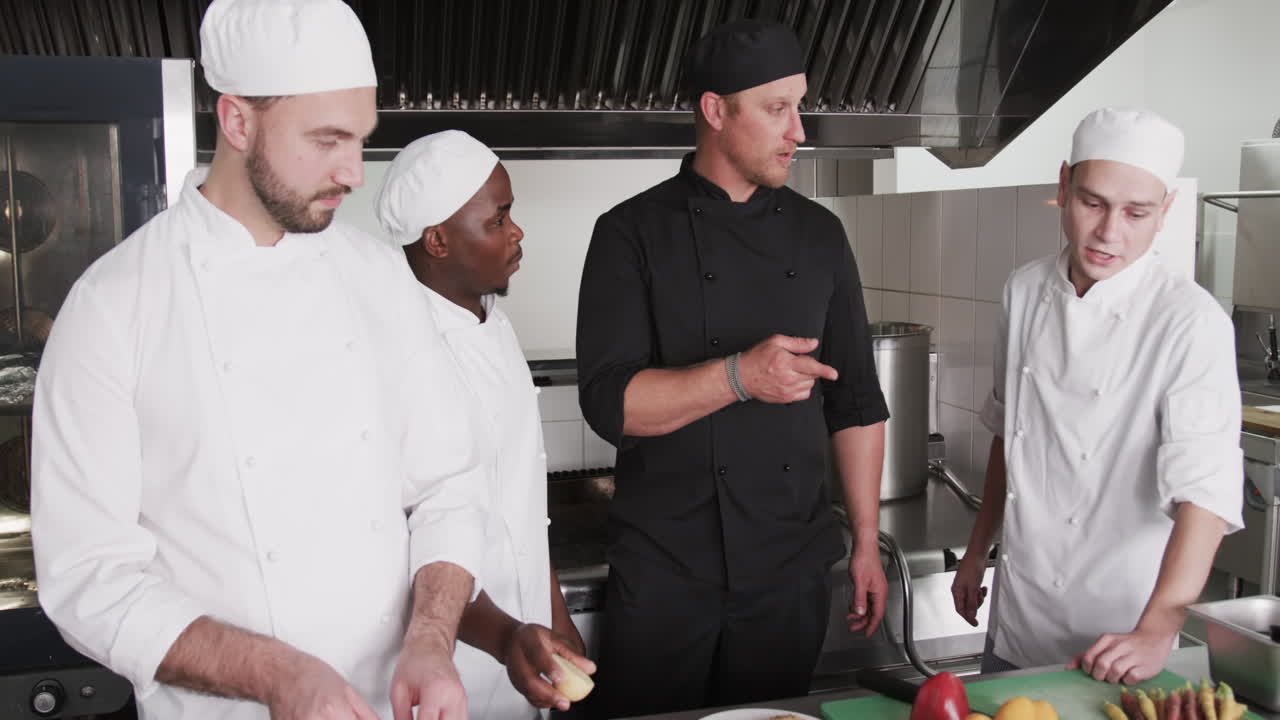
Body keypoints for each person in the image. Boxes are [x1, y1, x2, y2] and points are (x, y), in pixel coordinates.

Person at [30, 2, 491, 718]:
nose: (354, 172)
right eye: (328, 139)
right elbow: (89, 578)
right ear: (238, 121)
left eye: (360, 139)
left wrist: (431, 640)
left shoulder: (378, 279)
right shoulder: (115, 306)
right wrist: (279, 675)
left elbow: (448, 488)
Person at [574, 19, 890, 717]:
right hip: (665, 576)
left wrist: (865, 541)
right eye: (777, 109)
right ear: (716, 112)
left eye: (798, 106)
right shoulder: (629, 234)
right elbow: (609, 402)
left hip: (788, 574)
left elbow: (858, 403)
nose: (798, 131)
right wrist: (740, 376)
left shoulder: (820, 236)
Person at [951, 107, 1244, 684]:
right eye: (1093, 203)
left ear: (1166, 212)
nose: (1110, 233)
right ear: (1063, 186)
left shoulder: (1189, 321)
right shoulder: (1025, 289)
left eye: (1137, 212)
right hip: (1018, 616)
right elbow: (1009, 431)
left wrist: (1159, 625)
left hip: (1120, 634)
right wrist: (977, 548)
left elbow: (1205, 496)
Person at [374, 130, 596, 718]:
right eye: (498, 220)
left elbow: (521, 501)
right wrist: (505, 636)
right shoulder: (390, 349)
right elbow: (400, 542)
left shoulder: (491, 320)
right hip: (447, 667)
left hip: (523, 654)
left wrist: (553, 616)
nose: (517, 232)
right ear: (438, 240)